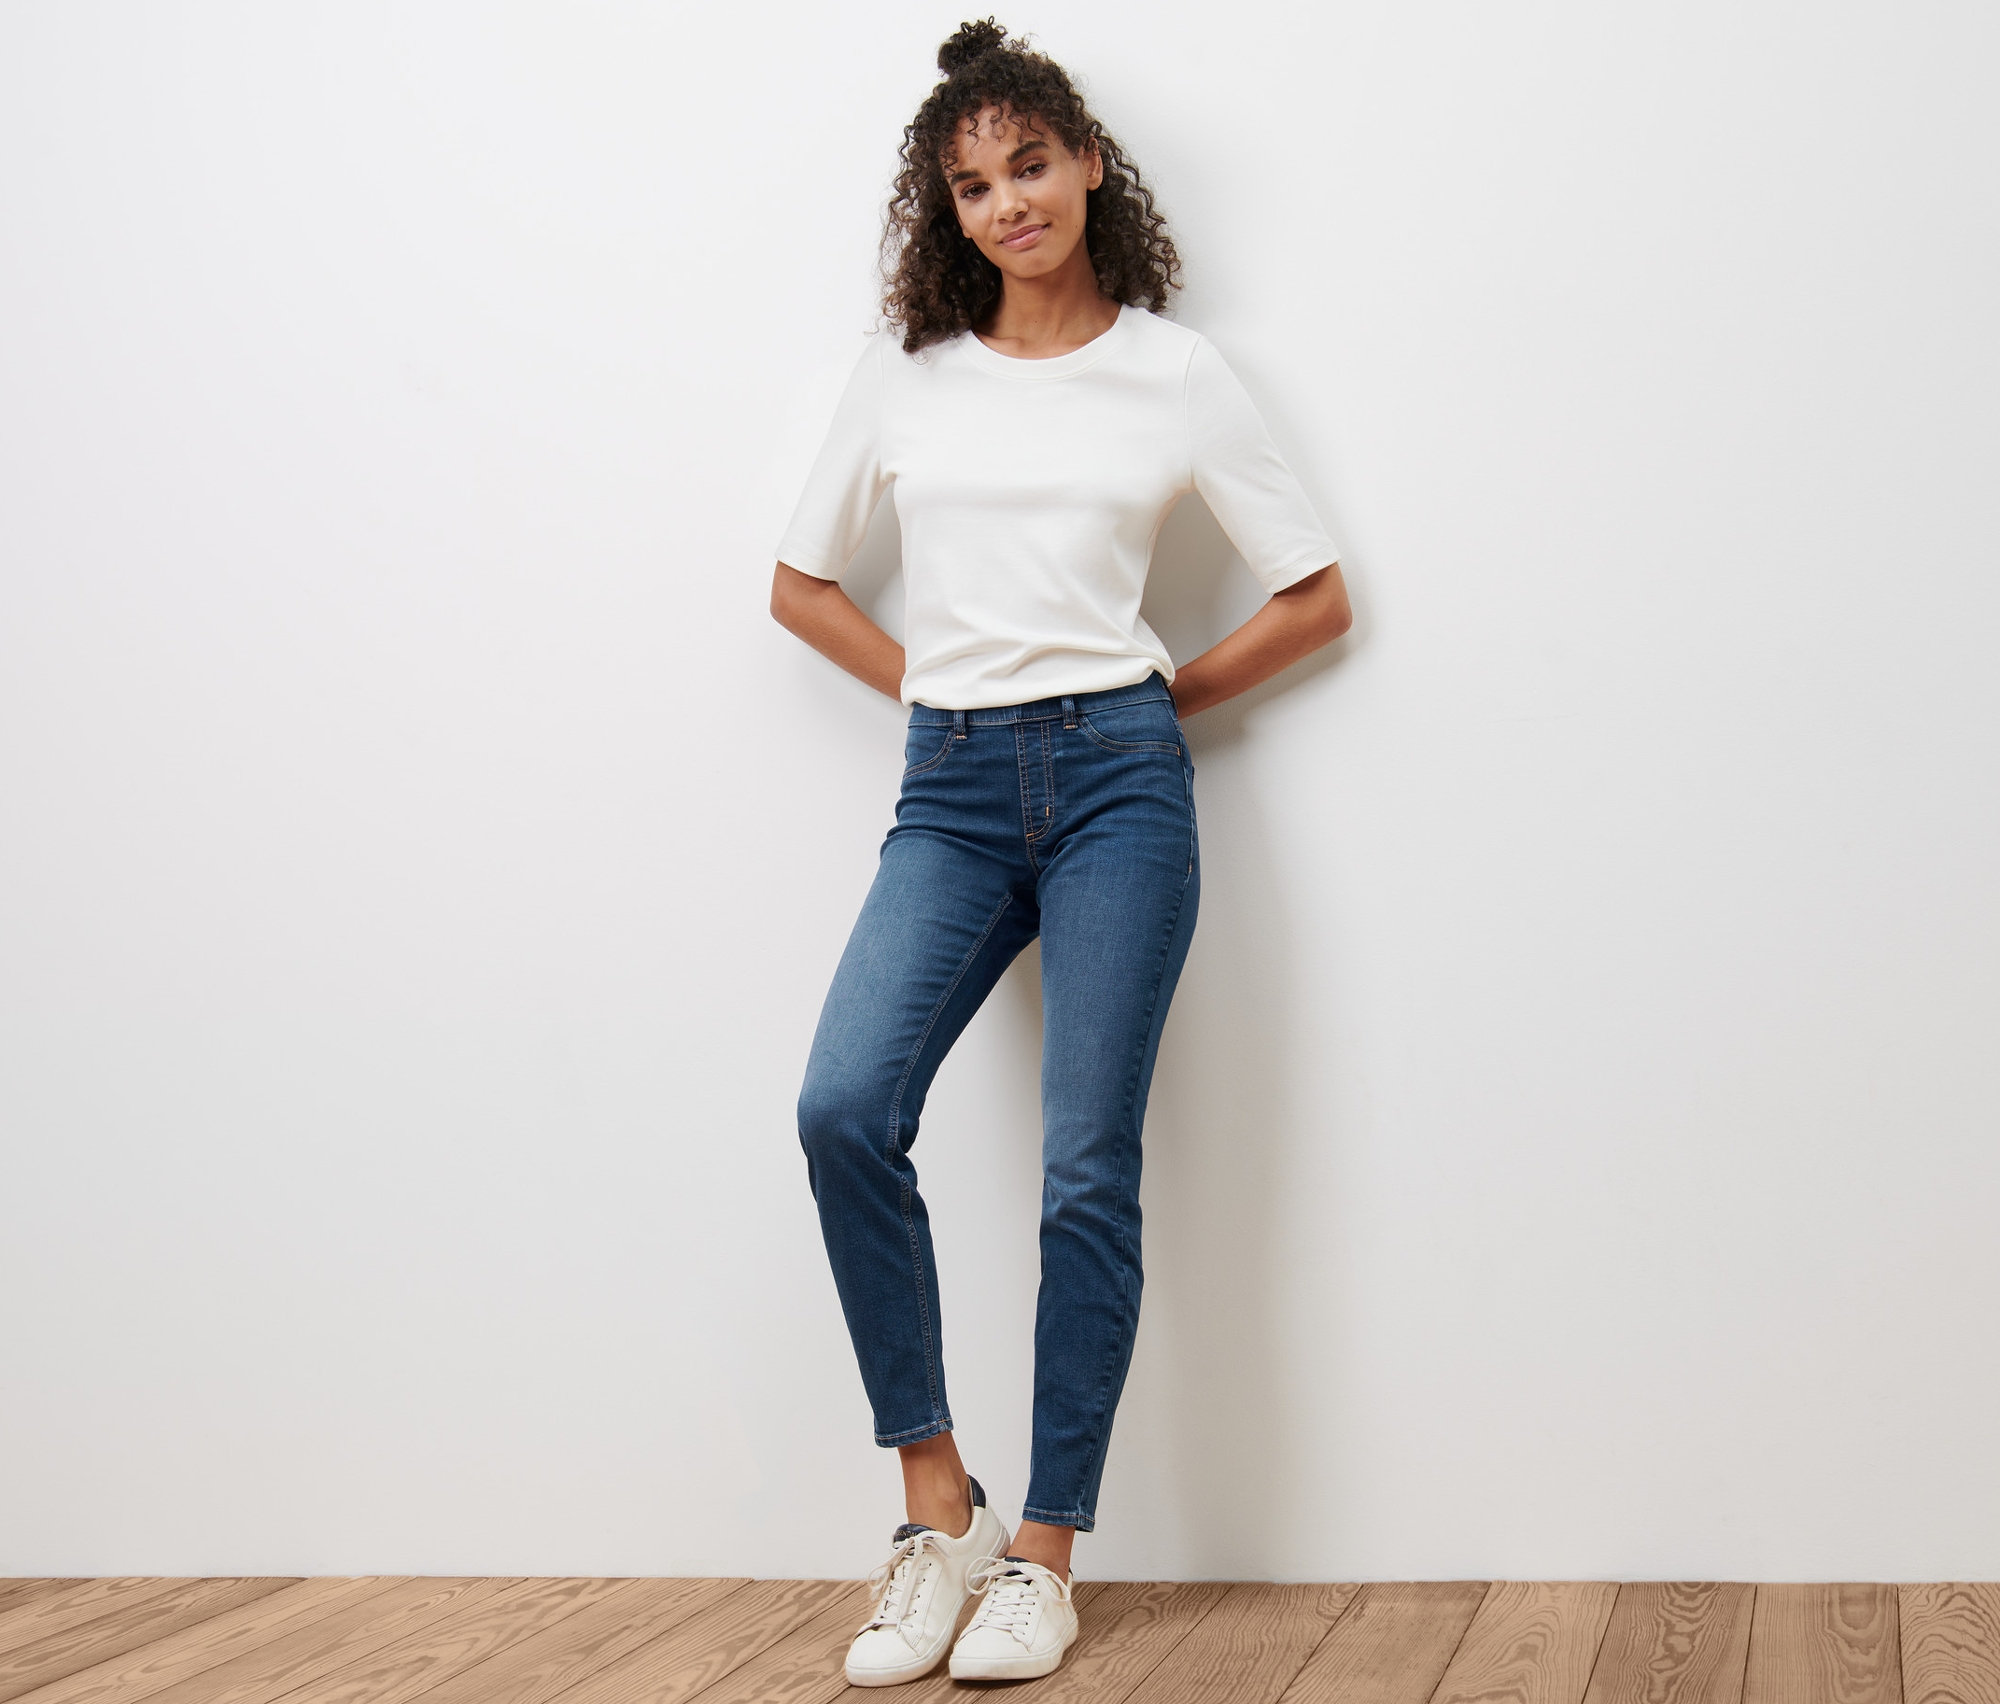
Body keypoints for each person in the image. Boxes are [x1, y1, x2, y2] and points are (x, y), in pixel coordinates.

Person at [769, 17, 1352, 1685]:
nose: (1007, 202)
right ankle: (937, 1509)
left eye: (1031, 164)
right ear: (943, 211)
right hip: (949, 795)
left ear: (1091, 164)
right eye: (972, 184)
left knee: (1086, 1166)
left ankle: (1044, 1558)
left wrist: (1160, 703)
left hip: (1118, 786)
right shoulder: (909, 372)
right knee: (842, 1107)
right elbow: (800, 583)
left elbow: (1315, 591)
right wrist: (936, 693)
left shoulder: (1175, 371)